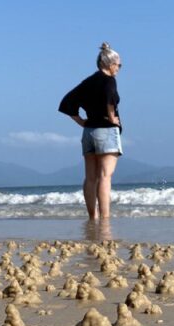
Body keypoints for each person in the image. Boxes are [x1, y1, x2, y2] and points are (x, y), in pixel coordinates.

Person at [58, 42, 123, 220]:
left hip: (89, 133)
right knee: (105, 176)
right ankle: (105, 218)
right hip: (106, 131)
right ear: (110, 65)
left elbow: (67, 103)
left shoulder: (88, 82)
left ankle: (92, 217)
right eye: (119, 65)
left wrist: (81, 122)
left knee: (90, 177)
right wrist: (111, 118)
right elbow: (110, 99)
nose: (119, 69)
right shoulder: (109, 80)